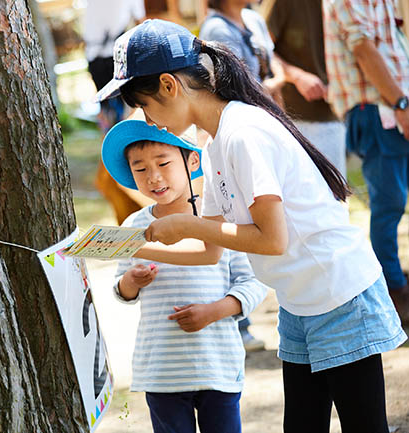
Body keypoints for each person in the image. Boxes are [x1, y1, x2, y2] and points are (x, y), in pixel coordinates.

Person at [95, 19, 407, 433]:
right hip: (300, 306)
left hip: (340, 296)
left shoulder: (242, 134)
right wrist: (120, 245)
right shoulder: (215, 143)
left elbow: (272, 240)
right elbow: (208, 253)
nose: (148, 120)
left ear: (169, 86)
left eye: (146, 106)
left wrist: (188, 225)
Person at [103, 119, 267, 433]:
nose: (154, 176)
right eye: (140, 169)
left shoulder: (219, 219)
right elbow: (120, 288)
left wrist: (215, 311)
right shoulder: (133, 226)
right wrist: (131, 283)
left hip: (217, 363)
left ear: (192, 160)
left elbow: (253, 280)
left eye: (163, 162)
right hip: (162, 368)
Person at [198, 0, 282, 350]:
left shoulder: (251, 20)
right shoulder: (217, 30)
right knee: (238, 227)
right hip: (251, 129)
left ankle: (241, 316)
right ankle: (240, 321)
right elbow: (250, 86)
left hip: (265, 126)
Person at [323, 0, 409, 325]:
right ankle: (394, 298)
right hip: (377, 107)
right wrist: (400, 102)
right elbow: (363, 51)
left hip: (395, 103)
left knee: (393, 205)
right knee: (389, 205)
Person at [260, 0, 347, 177]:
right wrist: (297, 76)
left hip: (336, 117)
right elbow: (263, 51)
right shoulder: (281, 3)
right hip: (294, 121)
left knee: (335, 198)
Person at [84, 0, 147, 224]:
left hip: (97, 59)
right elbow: (142, 26)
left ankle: (113, 176)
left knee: (116, 129)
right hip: (116, 61)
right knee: (125, 128)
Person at [199, 0, 284, 101]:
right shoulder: (218, 29)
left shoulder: (254, 18)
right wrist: (275, 84)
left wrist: (279, 77)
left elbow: (271, 57)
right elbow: (238, 90)